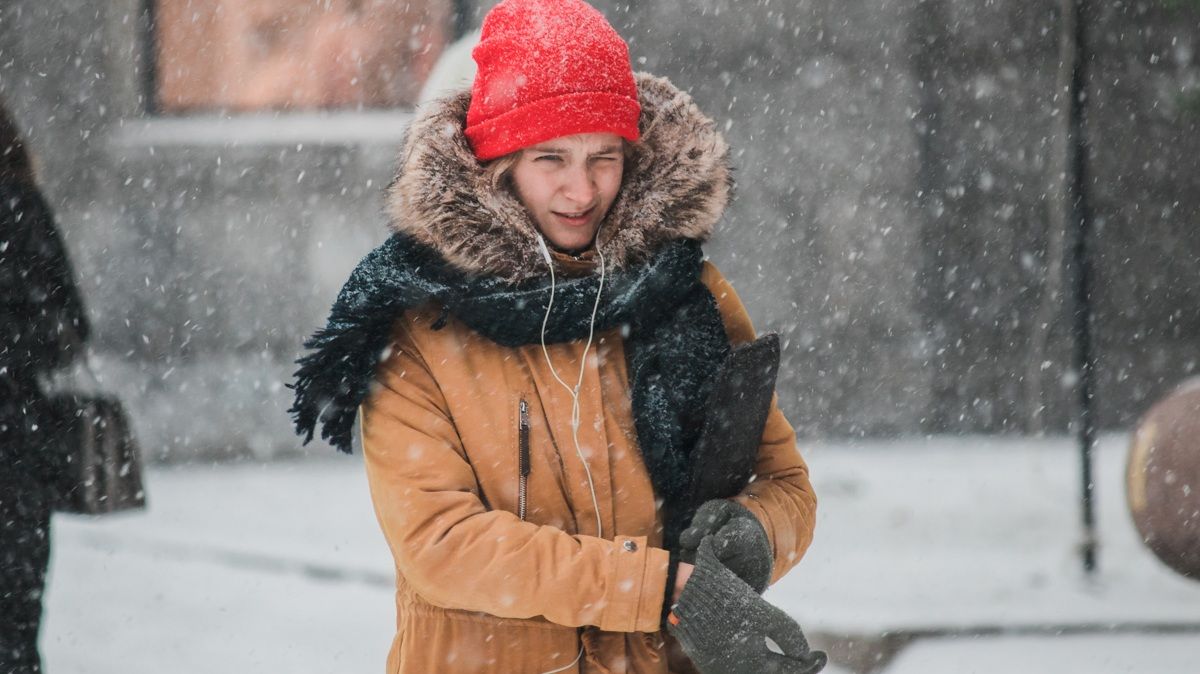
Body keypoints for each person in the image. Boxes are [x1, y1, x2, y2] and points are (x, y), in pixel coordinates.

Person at [290, 1, 823, 672]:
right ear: (498, 164)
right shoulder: (417, 322)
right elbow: (443, 545)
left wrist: (751, 537)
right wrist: (654, 589)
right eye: (551, 159)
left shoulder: (687, 294)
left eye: (604, 157)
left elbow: (784, 483)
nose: (582, 189)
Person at [0, 101, 90, 674]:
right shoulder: (21, 206)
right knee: (15, 631)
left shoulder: (18, 208)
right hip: (16, 450)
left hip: (16, 451)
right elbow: (72, 327)